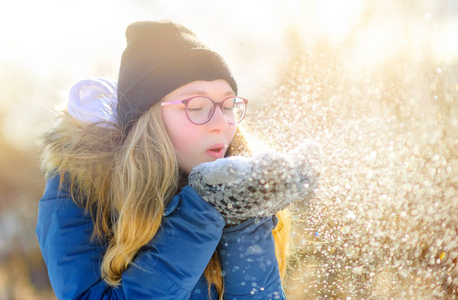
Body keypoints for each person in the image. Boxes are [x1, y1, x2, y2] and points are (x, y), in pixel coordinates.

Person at [36, 20, 319, 299]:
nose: (222, 123)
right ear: (148, 121)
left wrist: (242, 218)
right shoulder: (82, 192)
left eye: (229, 105)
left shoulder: (241, 186)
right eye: (197, 106)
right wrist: (201, 211)